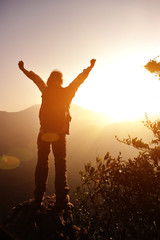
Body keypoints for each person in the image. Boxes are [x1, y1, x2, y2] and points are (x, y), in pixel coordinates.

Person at [18, 59, 96, 209]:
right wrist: (89, 68)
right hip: (59, 135)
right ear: (60, 81)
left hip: (44, 133)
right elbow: (79, 80)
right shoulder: (67, 91)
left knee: (42, 164)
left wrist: (23, 69)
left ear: (50, 80)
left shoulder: (46, 90)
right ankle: (61, 199)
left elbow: (35, 78)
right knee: (60, 165)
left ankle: (38, 197)